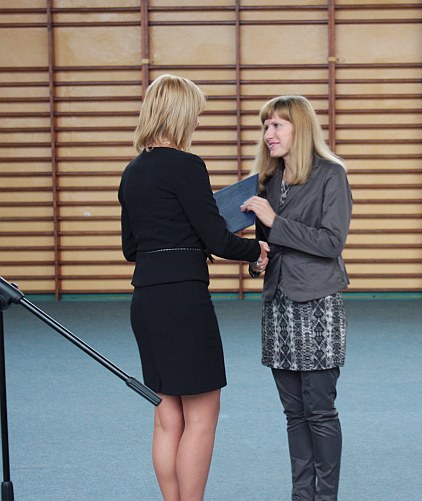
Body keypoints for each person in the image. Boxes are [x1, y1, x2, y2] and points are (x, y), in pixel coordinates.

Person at [118, 74, 268, 501]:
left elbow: (131, 248)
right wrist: (258, 249)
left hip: (146, 301)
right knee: (201, 417)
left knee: (167, 419)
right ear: (180, 114)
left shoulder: (132, 172)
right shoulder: (187, 166)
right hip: (183, 301)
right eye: (196, 114)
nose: (198, 122)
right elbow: (217, 240)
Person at [241, 95, 352, 500]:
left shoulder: (331, 174)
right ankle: (301, 495)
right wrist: (258, 262)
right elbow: (268, 247)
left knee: (319, 411)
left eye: (277, 125)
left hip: (318, 305)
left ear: (299, 128)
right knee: (294, 414)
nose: (268, 133)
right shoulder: (268, 181)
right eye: (265, 125)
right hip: (278, 306)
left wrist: (275, 221)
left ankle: (326, 497)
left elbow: (331, 242)